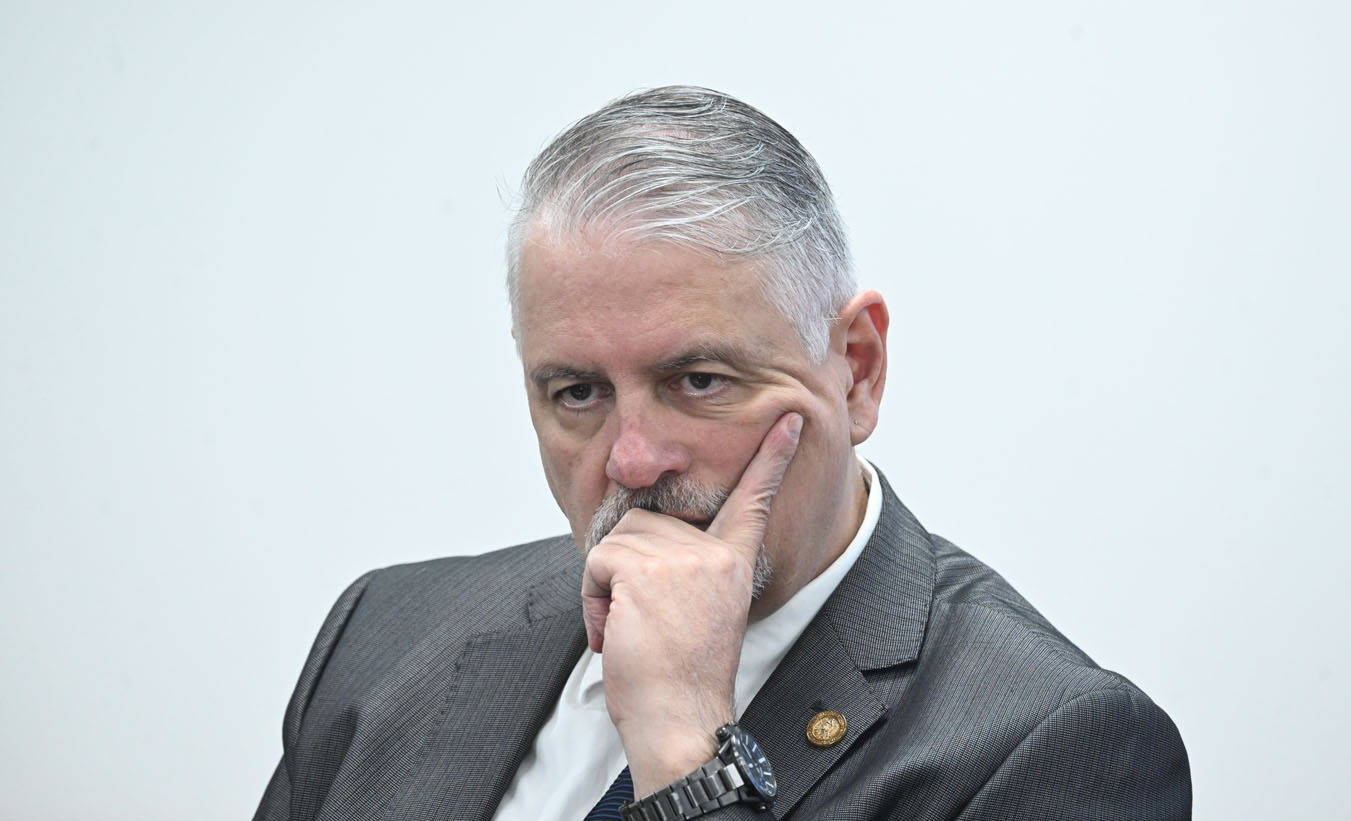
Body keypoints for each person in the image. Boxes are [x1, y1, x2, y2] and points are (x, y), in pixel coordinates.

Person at [254, 86, 1190, 821]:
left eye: (699, 380)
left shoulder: (1056, 744)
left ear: (857, 370)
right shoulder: (384, 633)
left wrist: (687, 753)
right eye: (577, 392)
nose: (633, 460)